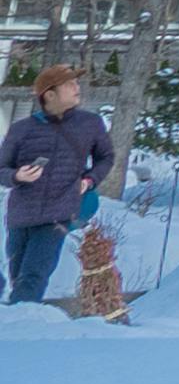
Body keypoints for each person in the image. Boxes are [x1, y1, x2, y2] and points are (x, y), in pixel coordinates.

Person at [1, 62, 112, 307]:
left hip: (59, 212)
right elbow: (2, 169)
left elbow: (106, 158)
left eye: (76, 82)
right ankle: (18, 323)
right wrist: (18, 176)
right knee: (18, 277)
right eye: (69, 84)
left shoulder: (90, 123)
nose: (77, 87)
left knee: (33, 276)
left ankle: (18, 330)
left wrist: (90, 179)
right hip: (21, 214)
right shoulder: (21, 129)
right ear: (49, 94)